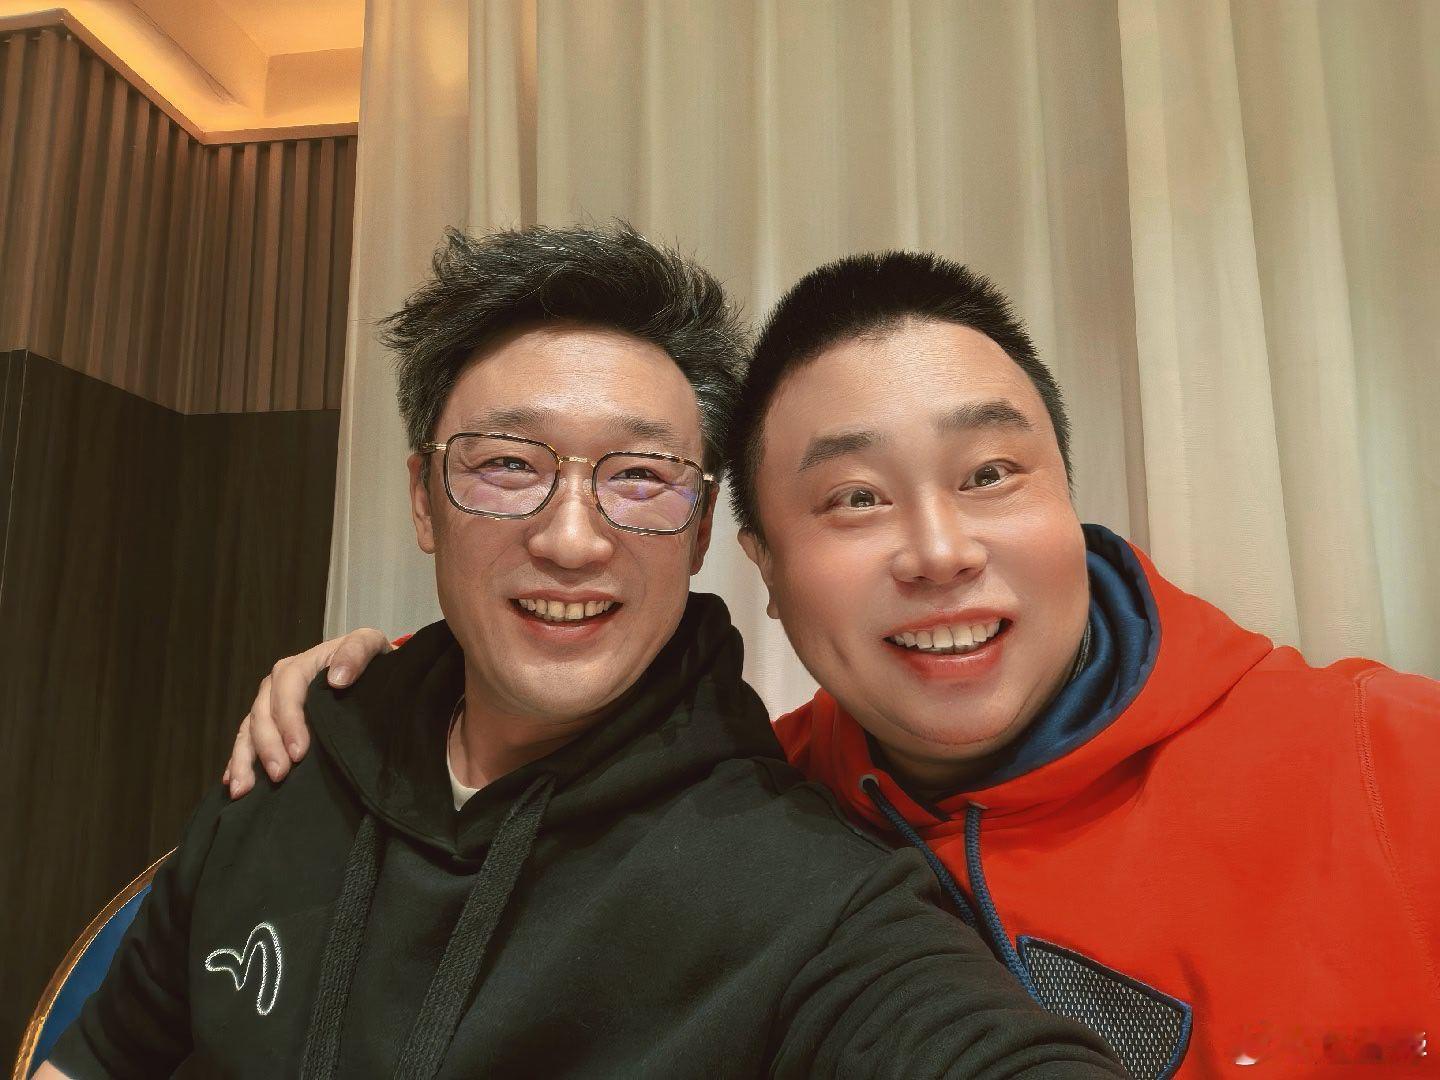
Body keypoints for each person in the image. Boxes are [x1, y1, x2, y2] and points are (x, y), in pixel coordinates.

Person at [238, 248, 1440, 1077]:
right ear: (757, 561)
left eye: (989, 475)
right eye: (856, 497)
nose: (939, 551)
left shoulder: (1393, 758)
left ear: (1070, 497)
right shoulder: (754, 814)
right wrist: (392, 699)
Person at [40, 226, 1123, 1080]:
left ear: (701, 529)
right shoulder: (293, 761)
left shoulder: (800, 892)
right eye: (509, 465)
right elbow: (98, 1055)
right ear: (424, 498)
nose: (571, 539)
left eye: (641, 477)